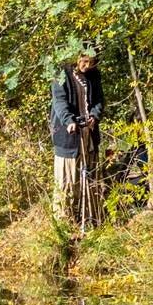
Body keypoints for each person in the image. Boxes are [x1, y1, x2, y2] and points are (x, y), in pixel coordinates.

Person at [50, 49, 106, 226]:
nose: (87, 66)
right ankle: (64, 223)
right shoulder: (61, 74)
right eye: (84, 61)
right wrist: (69, 121)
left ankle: (90, 218)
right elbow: (59, 101)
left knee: (90, 178)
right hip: (68, 137)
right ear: (77, 57)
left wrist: (94, 116)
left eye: (91, 62)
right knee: (67, 181)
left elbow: (99, 100)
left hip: (89, 134)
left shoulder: (94, 75)